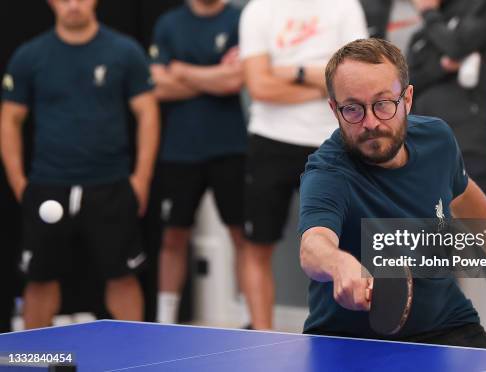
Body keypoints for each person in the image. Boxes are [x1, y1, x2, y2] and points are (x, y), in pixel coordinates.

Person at [298, 38, 486, 346]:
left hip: (448, 323)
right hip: (350, 340)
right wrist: (339, 264)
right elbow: (314, 244)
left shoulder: (437, 139)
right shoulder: (328, 172)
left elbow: (465, 196)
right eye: (352, 109)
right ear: (334, 109)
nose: (370, 122)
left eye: (383, 104)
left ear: (407, 99)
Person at [0, 0, 159, 329]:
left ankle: (139, 358)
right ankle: (35, 359)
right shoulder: (30, 55)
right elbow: (10, 119)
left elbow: (147, 113)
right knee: (39, 278)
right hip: (48, 183)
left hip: (111, 184)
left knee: (123, 276)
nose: (73, 4)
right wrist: (19, 184)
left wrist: (141, 179)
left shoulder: (124, 50)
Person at [405, 0, 486, 352]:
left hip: (470, 153)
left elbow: (456, 46)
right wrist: (443, 64)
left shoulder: (481, 9)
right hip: (422, 160)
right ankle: (441, 346)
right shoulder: (421, 36)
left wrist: (435, 23)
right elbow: (408, 83)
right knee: (433, 257)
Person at [239, 0, 368, 329]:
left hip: (332, 143)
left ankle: (350, 337)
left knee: (351, 246)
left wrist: (292, 72)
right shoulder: (258, 10)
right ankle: (260, 339)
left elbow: (355, 81)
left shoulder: (344, 7)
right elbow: (260, 87)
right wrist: (324, 83)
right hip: (270, 140)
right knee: (257, 245)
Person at [149, 0, 246, 325]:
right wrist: (213, 77)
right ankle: (166, 320)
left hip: (230, 147)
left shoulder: (238, 19)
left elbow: (235, 80)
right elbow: (157, 87)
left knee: (241, 235)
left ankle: (249, 316)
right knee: (173, 236)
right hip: (179, 150)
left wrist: (182, 70)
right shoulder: (168, 23)